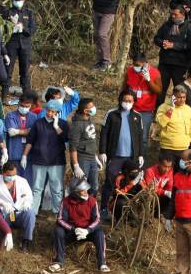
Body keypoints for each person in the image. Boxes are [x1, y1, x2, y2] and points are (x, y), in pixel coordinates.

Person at [49, 177, 109, 273]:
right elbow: (60, 219)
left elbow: (97, 220)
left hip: (87, 232)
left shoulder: (92, 201)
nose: (86, 192)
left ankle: (102, 263)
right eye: (82, 190)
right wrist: (73, 229)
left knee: (100, 233)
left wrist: (88, 230)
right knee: (58, 230)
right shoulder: (65, 202)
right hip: (72, 232)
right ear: (75, 192)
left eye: (86, 189)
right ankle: (59, 262)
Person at [99, 89, 144, 217]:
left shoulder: (137, 116)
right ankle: (103, 209)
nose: (127, 103)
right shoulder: (112, 114)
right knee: (110, 180)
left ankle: (125, 209)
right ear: (120, 100)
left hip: (131, 157)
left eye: (130, 101)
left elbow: (140, 137)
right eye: (125, 100)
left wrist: (140, 154)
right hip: (115, 156)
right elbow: (104, 134)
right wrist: (103, 152)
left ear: (134, 101)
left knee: (131, 181)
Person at [22, 98, 69, 214]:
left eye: (53, 112)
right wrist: (24, 155)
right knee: (37, 188)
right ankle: (33, 212)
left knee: (57, 189)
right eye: (48, 110)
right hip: (39, 160)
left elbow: (66, 140)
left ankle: (57, 212)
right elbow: (30, 141)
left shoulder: (63, 124)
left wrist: (56, 126)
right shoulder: (38, 123)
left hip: (56, 161)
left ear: (57, 113)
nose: (50, 113)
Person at [89, 0, 131, 71]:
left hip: (109, 11)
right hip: (96, 9)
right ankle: (100, 61)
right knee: (97, 35)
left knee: (102, 34)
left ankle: (106, 61)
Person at [154, 6, 191, 102]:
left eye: (175, 14)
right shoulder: (166, 25)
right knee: (161, 88)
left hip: (180, 64)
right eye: (171, 14)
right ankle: (158, 111)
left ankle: (179, 111)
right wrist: (162, 43)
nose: (173, 16)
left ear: (182, 14)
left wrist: (174, 46)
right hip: (165, 63)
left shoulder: (188, 27)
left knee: (179, 90)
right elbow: (156, 38)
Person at [0, 161, 35, 251]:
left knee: (30, 213)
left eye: (14, 174)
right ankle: (0, 239)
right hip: (5, 214)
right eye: (9, 175)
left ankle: (25, 240)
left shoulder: (22, 181)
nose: (12, 177)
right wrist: (3, 203)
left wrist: (27, 202)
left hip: (18, 213)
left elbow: (29, 195)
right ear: (3, 173)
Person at [122, 52, 162, 153]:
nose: (135, 67)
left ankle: (141, 160)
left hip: (146, 111)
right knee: (127, 134)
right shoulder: (130, 71)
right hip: (130, 108)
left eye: (138, 65)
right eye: (134, 64)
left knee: (143, 138)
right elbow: (124, 88)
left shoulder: (155, 73)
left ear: (145, 63)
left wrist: (149, 80)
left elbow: (159, 91)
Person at [2, 0, 36, 96]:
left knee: (24, 70)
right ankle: (4, 93)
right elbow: (2, 29)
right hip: (11, 43)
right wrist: (12, 27)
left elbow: (33, 29)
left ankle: (26, 94)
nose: (17, 2)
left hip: (25, 44)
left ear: (24, 0)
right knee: (8, 68)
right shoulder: (7, 12)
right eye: (15, 0)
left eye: (19, 0)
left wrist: (23, 28)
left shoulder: (29, 13)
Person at [156, 85, 191, 163]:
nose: (182, 100)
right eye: (179, 97)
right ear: (173, 97)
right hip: (167, 148)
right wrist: (171, 109)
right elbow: (161, 123)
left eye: (184, 97)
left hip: (184, 148)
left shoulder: (188, 109)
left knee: (181, 174)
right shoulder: (163, 107)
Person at [69, 98, 99, 197]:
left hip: (92, 158)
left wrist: (95, 156)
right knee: (80, 186)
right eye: (92, 107)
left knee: (94, 186)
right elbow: (73, 147)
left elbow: (91, 140)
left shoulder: (90, 120)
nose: (94, 108)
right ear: (85, 111)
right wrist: (76, 165)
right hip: (82, 158)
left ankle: (90, 207)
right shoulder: (77, 125)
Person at [4, 91, 37, 182]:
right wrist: (27, 131)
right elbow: (11, 132)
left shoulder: (34, 117)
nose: (25, 108)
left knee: (27, 181)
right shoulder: (11, 116)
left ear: (31, 106)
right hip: (14, 152)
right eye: (23, 106)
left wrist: (18, 131)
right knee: (14, 180)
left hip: (28, 155)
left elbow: (33, 133)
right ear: (18, 103)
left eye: (27, 107)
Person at [144, 154, 174, 227]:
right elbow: (150, 188)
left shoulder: (170, 172)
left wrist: (169, 192)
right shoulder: (150, 171)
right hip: (149, 197)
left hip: (161, 198)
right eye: (164, 166)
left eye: (169, 167)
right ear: (159, 164)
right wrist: (164, 192)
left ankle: (163, 215)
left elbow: (170, 186)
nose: (166, 169)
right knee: (151, 196)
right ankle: (148, 216)